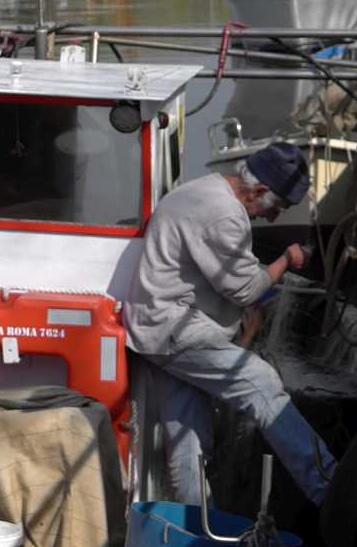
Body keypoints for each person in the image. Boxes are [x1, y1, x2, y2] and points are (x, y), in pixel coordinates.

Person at [123, 142, 336, 505]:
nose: (272, 218)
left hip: (153, 330)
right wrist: (287, 258)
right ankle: (332, 491)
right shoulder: (223, 213)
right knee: (262, 382)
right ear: (259, 191)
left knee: (189, 441)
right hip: (175, 331)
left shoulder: (201, 189)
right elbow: (247, 288)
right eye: (277, 208)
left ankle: (196, 536)